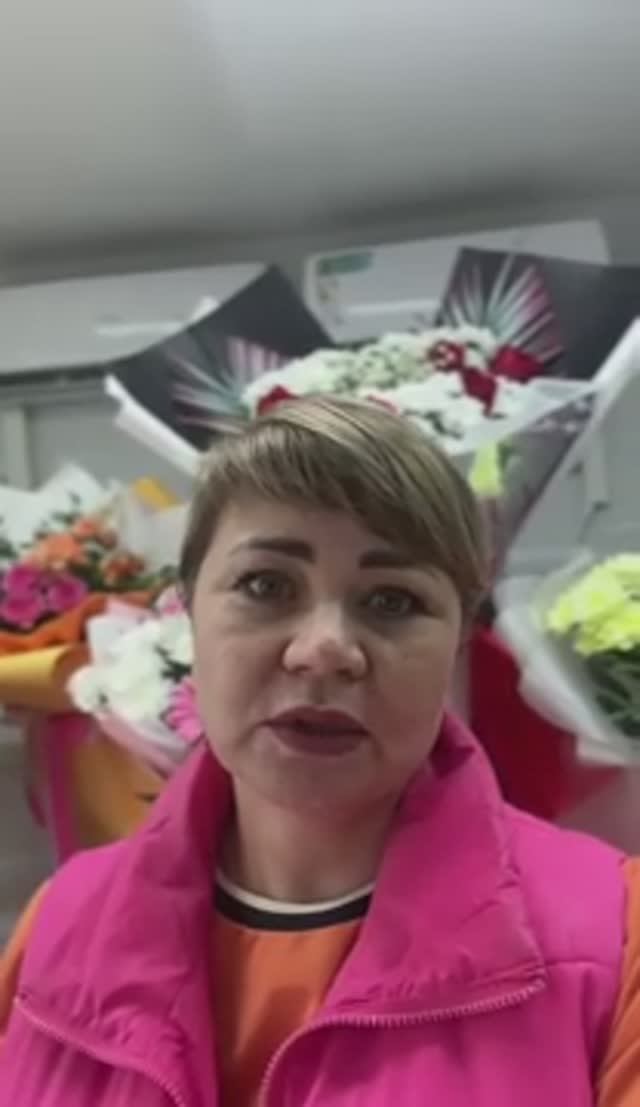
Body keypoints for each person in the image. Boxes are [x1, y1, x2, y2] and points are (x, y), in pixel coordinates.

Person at [1, 396, 640, 1106]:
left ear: (460, 639)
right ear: (188, 607)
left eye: (392, 601)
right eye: (266, 586)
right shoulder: (60, 922)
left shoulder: (618, 935)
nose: (324, 650)